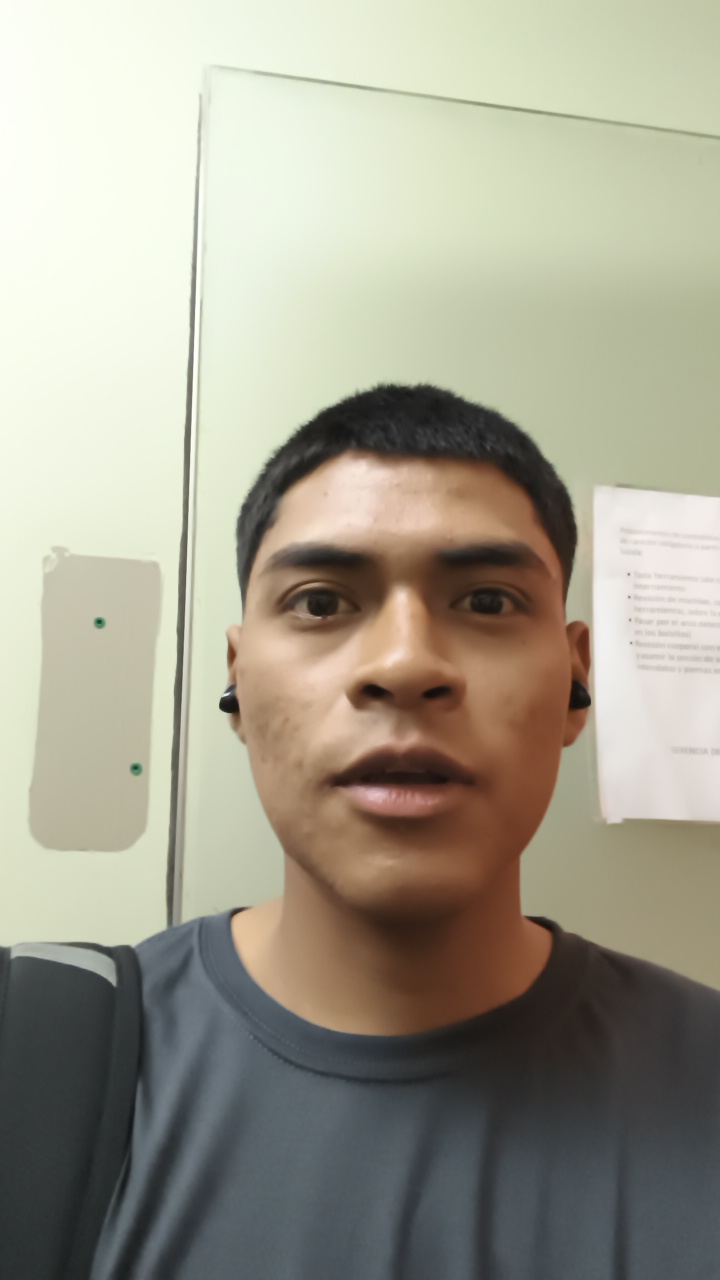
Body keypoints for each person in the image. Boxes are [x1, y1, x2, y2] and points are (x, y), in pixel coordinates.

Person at [90, 384, 720, 1279]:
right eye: (319, 602)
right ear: (238, 680)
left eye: (489, 602)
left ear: (576, 682)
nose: (405, 664)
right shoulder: (39, 1060)